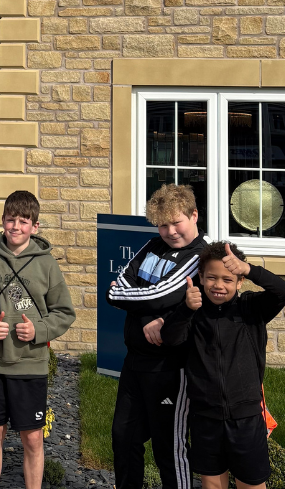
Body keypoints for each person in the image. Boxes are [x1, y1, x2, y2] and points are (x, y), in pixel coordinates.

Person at [0, 190, 75, 489]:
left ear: (35, 227)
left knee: (33, 437)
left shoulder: (47, 265)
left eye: (24, 221)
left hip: (31, 364)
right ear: (2, 222)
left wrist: (39, 331)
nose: (16, 227)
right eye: (10, 220)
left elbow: (64, 312)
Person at [162, 242, 285, 489]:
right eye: (211, 278)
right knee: (212, 483)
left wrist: (250, 269)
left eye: (228, 279)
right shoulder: (193, 312)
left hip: (246, 416)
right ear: (200, 277)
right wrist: (185, 310)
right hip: (205, 416)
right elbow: (170, 338)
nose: (219, 285)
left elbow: (283, 291)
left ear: (240, 281)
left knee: (251, 484)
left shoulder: (251, 308)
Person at [105, 183, 209, 489]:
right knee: (123, 439)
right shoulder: (150, 247)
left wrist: (149, 305)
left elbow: (158, 293)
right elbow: (115, 290)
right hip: (134, 363)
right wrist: (150, 316)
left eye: (176, 222)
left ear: (194, 216)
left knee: (170, 449)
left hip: (170, 369)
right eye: (163, 225)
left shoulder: (201, 257)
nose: (170, 231)